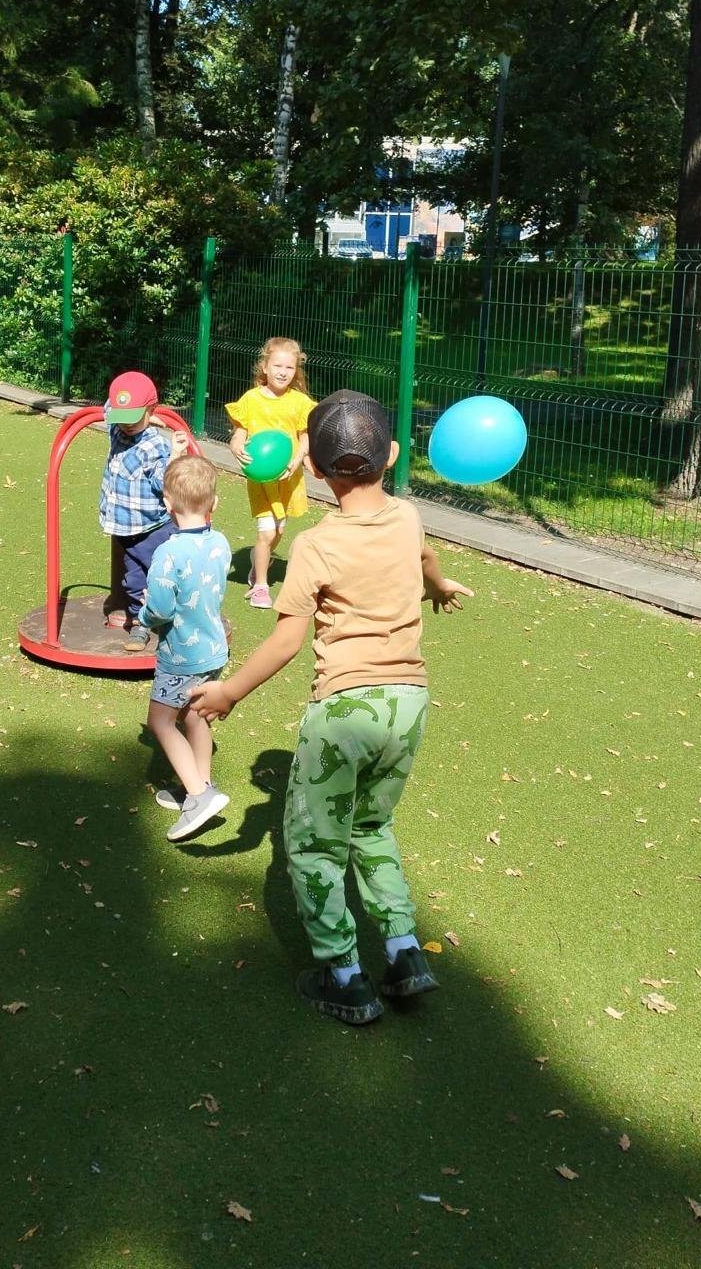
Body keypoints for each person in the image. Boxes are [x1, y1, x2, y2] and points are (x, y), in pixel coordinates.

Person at [188, 390, 474, 1026]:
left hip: (346, 708)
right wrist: (438, 587)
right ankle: (403, 951)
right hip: (409, 702)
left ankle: (344, 976)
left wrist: (228, 692)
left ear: (313, 468)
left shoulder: (316, 545)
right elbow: (427, 559)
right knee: (370, 825)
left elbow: (286, 640)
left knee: (315, 844)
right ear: (391, 455)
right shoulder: (407, 517)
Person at [138, 455, 232, 842]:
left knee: (161, 722)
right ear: (214, 503)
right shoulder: (220, 543)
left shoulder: (169, 553)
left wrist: (144, 613)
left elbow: (160, 609)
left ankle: (198, 795)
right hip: (213, 649)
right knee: (195, 716)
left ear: (167, 503)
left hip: (181, 656)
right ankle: (199, 783)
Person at [99, 369, 186, 651]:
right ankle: (141, 623)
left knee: (160, 576)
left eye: (133, 419)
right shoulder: (116, 428)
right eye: (122, 418)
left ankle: (175, 618)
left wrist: (175, 454)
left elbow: (163, 483)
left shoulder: (154, 444)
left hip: (152, 528)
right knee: (134, 580)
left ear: (151, 410)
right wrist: (130, 410)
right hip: (125, 528)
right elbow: (109, 407)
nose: (126, 425)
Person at [225, 337, 315, 608]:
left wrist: (297, 459)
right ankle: (260, 585)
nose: (283, 372)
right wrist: (236, 445)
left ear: (295, 371)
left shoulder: (299, 402)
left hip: (288, 478)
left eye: (289, 367)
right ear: (264, 367)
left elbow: (305, 437)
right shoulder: (251, 400)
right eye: (277, 365)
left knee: (279, 530)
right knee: (266, 532)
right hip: (262, 480)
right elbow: (240, 433)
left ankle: (258, 558)